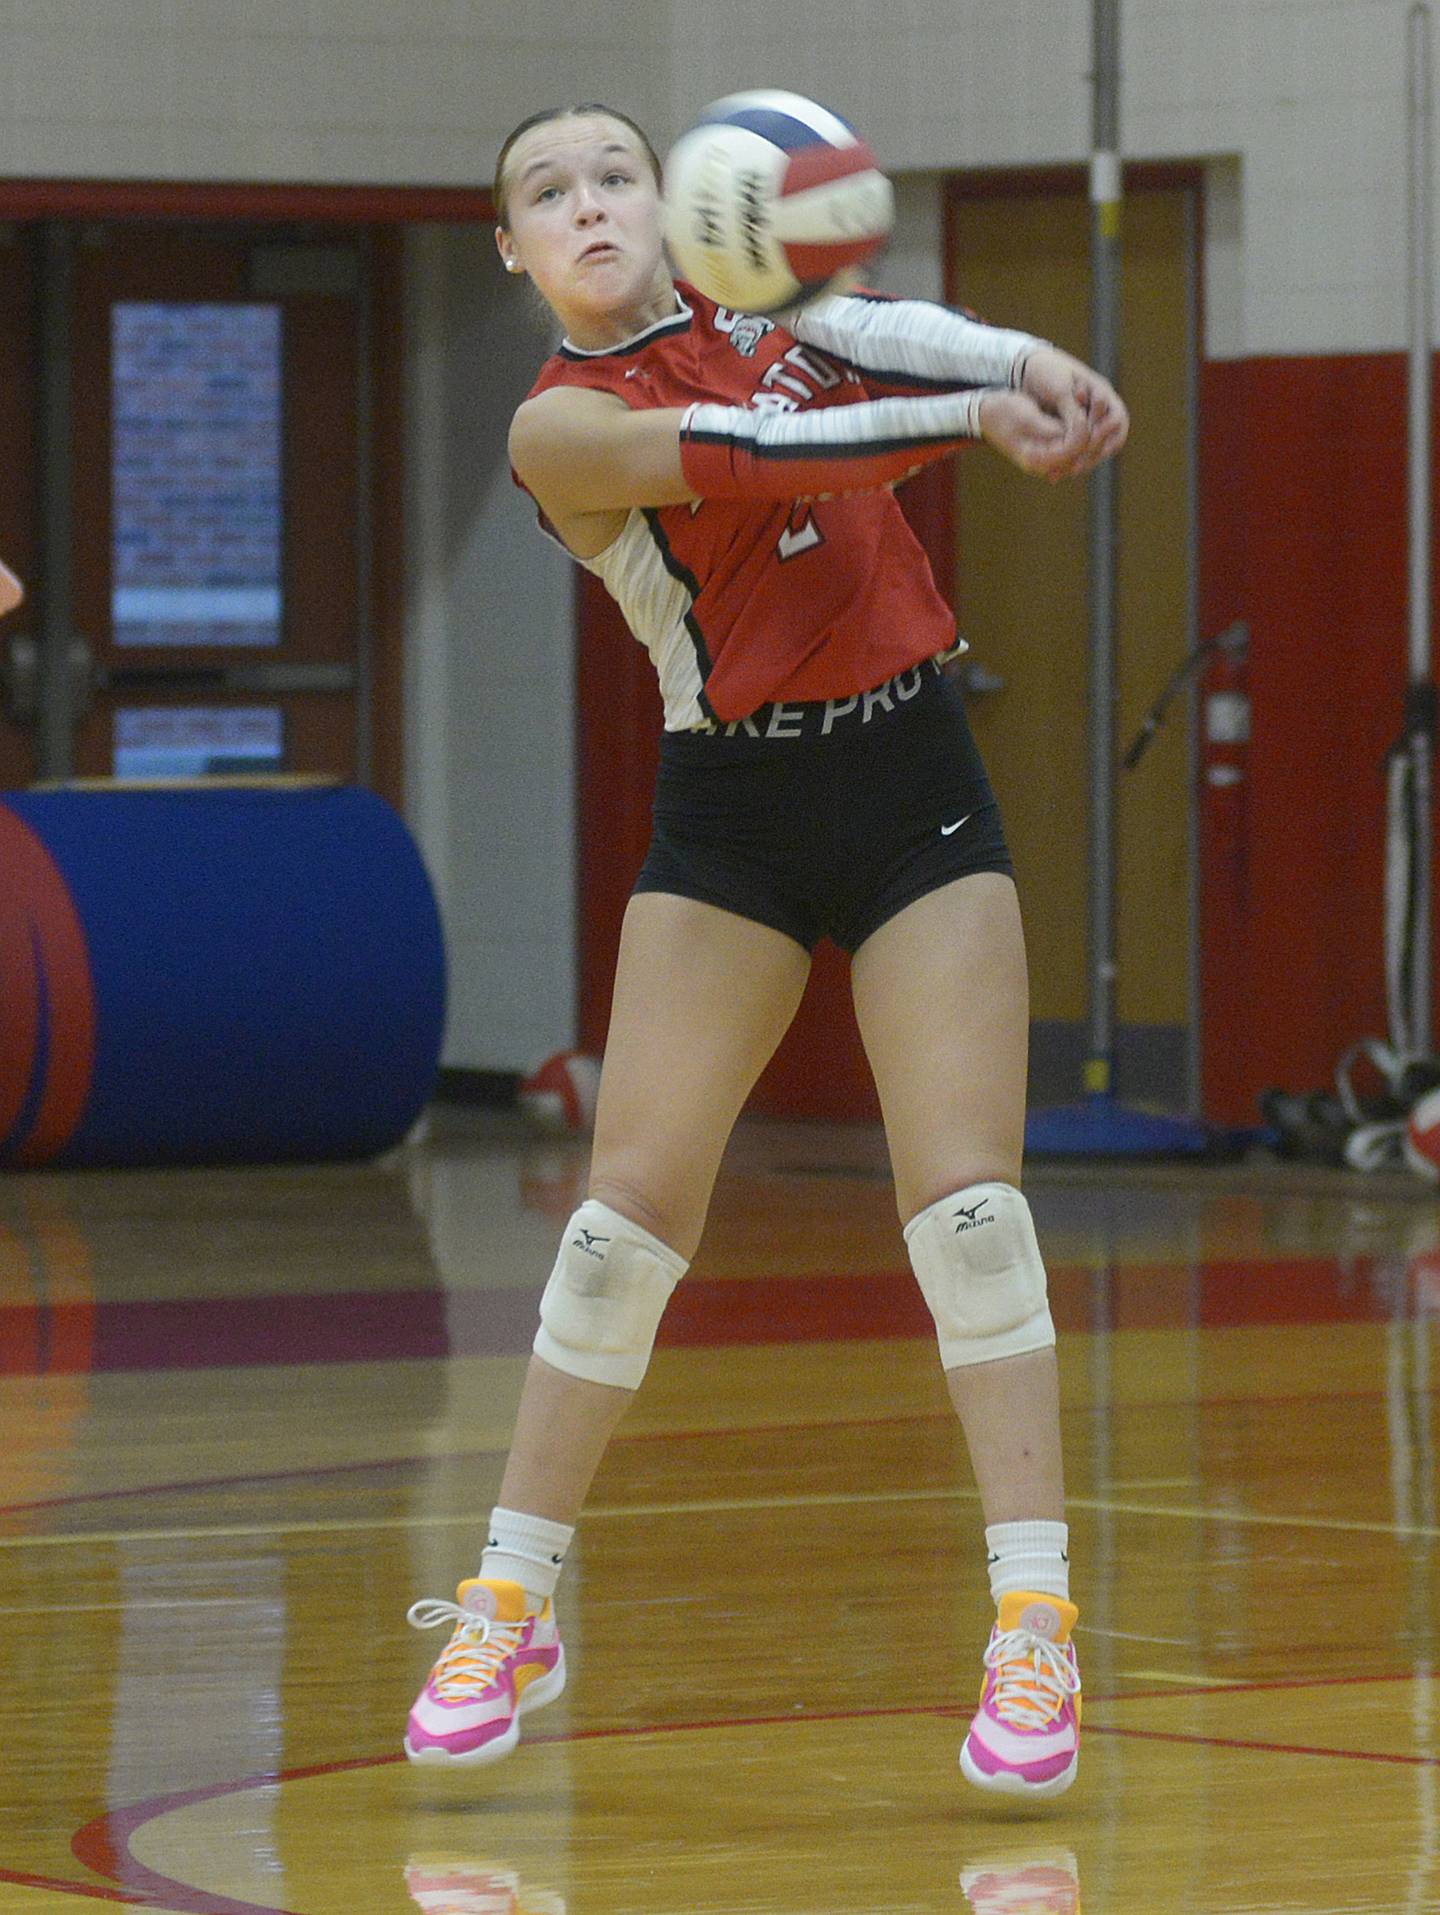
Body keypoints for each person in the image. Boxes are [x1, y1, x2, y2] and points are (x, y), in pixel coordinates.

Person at [404, 102, 1128, 1799]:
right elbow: (762, 458)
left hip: (910, 776)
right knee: (614, 1230)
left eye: (611, 176)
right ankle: (512, 1593)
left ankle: (1035, 1625)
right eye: (544, 194)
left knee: (970, 1212)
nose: (587, 206)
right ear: (511, 252)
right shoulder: (562, 425)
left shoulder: (769, 304)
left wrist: (1020, 352)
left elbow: (874, 333)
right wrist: (981, 418)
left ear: (671, 202)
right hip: (730, 804)